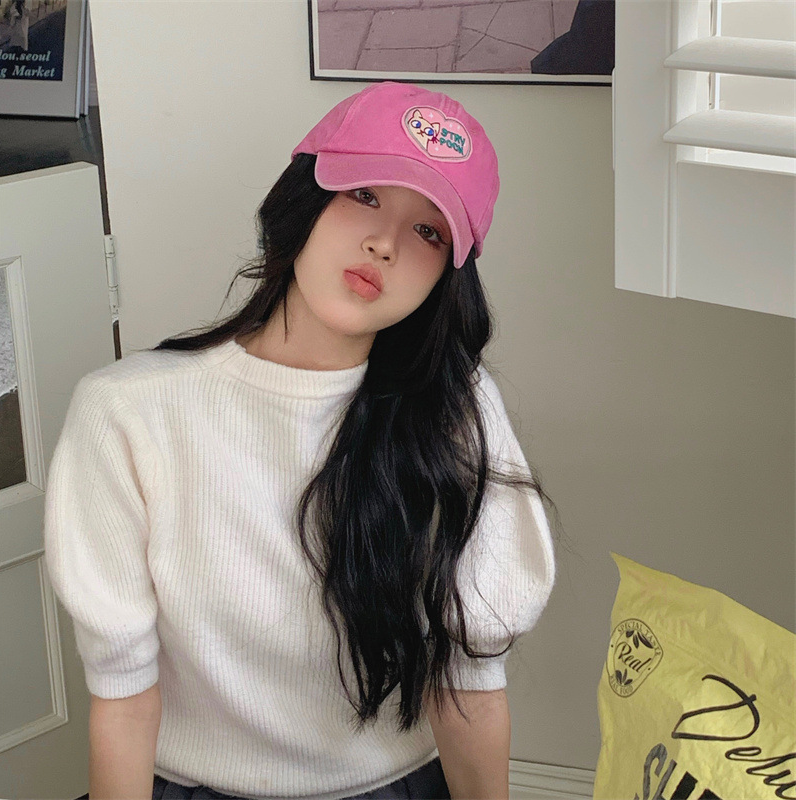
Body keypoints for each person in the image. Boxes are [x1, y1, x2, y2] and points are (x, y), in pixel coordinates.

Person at [43, 81, 559, 800]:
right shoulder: (128, 414)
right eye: (365, 196)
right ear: (303, 199)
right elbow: (124, 699)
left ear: (449, 275)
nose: (384, 244)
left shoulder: (455, 413)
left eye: (429, 232)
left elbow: (467, 684)